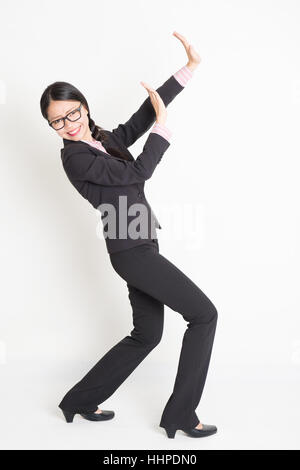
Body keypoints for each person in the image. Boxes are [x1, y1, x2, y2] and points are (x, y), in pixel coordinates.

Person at [40, 31, 218, 439]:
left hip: (140, 239)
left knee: (147, 334)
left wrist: (187, 70)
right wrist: (164, 128)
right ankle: (181, 414)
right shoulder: (76, 159)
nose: (68, 124)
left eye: (72, 113)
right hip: (129, 249)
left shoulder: (101, 140)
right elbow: (138, 172)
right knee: (204, 315)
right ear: (50, 124)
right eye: (57, 120)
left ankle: (79, 400)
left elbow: (142, 115)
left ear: (84, 107)